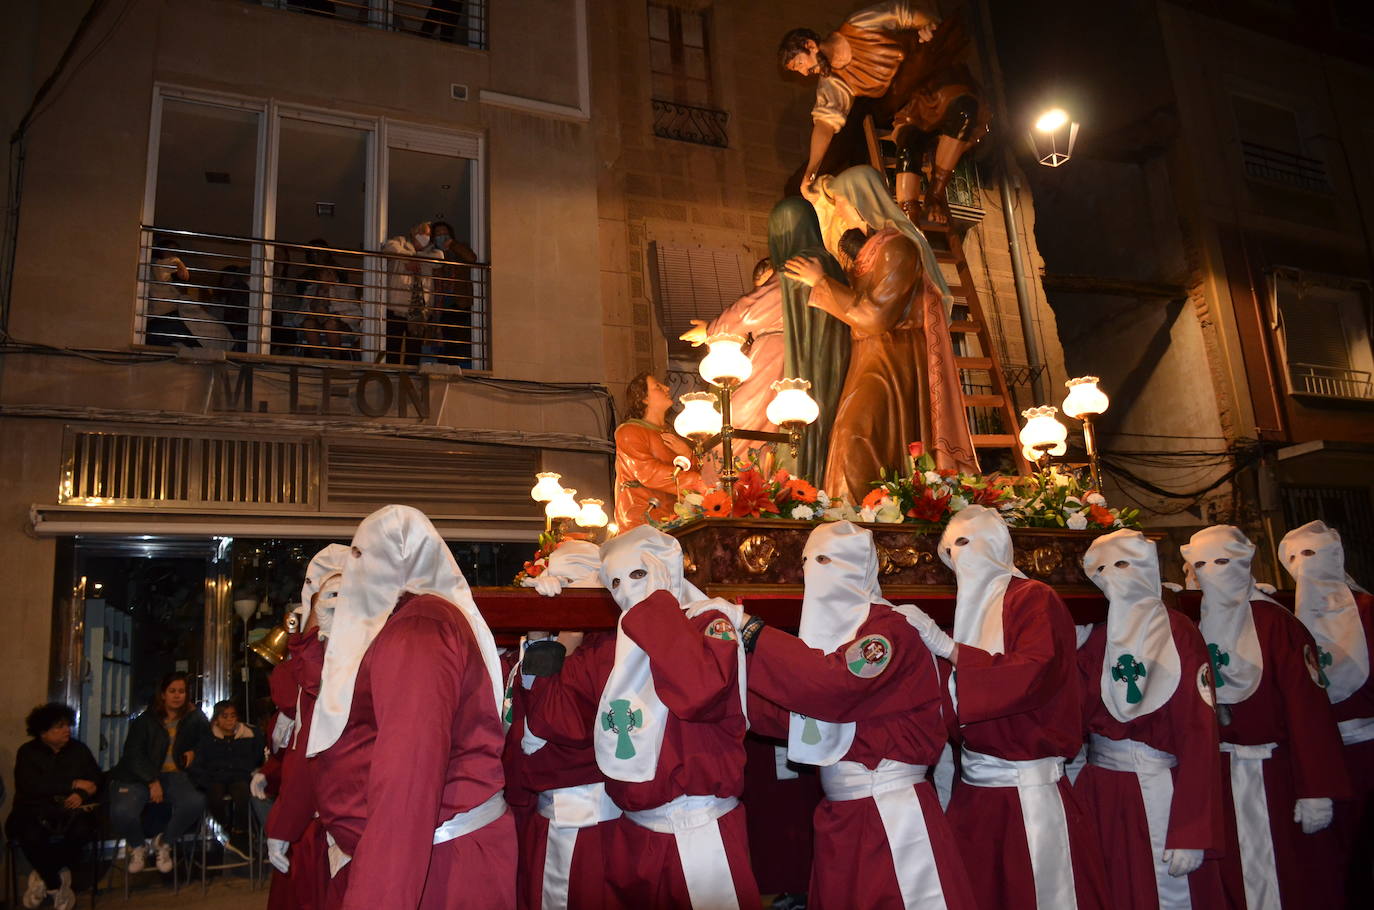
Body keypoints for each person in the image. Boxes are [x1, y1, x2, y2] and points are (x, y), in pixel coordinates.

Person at [738, 521, 976, 909]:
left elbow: (832, 687)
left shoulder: (888, 631)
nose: (810, 571)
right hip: (843, 813)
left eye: (825, 560)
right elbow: (793, 714)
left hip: (891, 812)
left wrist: (754, 633)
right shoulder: (829, 643)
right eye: (806, 561)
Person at [526, 525, 759, 909]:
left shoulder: (709, 622)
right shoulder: (610, 650)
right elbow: (550, 721)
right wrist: (547, 637)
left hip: (697, 829)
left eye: (638, 574)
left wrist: (658, 609)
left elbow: (699, 692)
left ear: (666, 568)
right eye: (614, 582)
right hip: (634, 833)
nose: (627, 590)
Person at [897, 504, 1108, 910]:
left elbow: (1032, 673)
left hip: (1026, 791)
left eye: (964, 542)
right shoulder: (968, 612)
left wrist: (948, 649)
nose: (956, 557)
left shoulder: (1034, 599)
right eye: (947, 550)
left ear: (993, 544)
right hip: (975, 792)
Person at [308, 505, 514, 909]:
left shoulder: (419, 630)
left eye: (361, 556)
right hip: (427, 852)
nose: (354, 573)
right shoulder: (409, 623)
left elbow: (408, 780)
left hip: (433, 863)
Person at [785, 166, 978, 502]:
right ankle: (861, 514)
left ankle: (858, 519)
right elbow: (833, 226)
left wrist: (821, 282)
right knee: (856, 436)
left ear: (863, 202)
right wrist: (815, 195)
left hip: (892, 355)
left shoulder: (898, 248)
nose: (840, 210)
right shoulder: (868, 251)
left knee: (855, 434)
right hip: (868, 354)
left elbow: (875, 316)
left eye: (843, 201)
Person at [1183, 524, 1350, 910]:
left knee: (1292, 877)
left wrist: (1316, 789)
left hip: (1278, 778)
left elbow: (1308, 709)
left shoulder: (1278, 625)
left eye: (1223, 561)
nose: (1213, 572)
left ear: (1244, 563)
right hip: (1222, 777)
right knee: (1233, 879)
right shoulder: (1196, 625)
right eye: (1202, 564)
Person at [1073, 530, 1226, 908]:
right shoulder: (1097, 639)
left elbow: (1199, 732)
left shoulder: (1179, 633)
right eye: (1102, 570)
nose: (1113, 576)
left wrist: (1192, 830)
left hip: (1160, 791)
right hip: (1101, 790)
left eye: (1123, 564)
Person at [779, 1, 989, 224]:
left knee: (964, 112)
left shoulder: (858, 26)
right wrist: (810, 173)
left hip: (932, 76)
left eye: (800, 63)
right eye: (798, 70)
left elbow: (903, 13)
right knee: (909, 143)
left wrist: (929, 26)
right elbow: (825, 125)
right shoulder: (832, 83)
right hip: (908, 106)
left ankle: (936, 193)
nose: (804, 73)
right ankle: (910, 221)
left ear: (809, 44)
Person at [511, 540, 620, 910]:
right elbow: (525, 713)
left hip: (585, 813)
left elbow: (558, 722)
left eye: (569, 582)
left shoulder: (607, 646)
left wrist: (564, 639)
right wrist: (543, 639)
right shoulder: (555, 642)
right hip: (547, 809)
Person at [1280, 520, 1374, 906]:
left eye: (1312, 554)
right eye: (1293, 558)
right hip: (1319, 755)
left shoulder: (1368, 612)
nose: (1304, 565)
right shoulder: (1286, 618)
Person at [263, 544, 349, 910]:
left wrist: (283, 825)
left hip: (333, 824)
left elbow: (310, 760)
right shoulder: (319, 666)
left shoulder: (334, 669)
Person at [768, 197, 850, 482]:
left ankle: (802, 485)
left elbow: (756, 309)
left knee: (796, 430)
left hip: (800, 364)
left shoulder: (795, 267)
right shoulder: (832, 264)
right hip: (834, 363)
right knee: (823, 418)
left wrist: (715, 327)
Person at [680, 259, 786, 465]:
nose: (762, 296)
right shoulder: (748, 340)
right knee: (734, 424)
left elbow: (745, 316)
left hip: (773, 369)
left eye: (767, 287)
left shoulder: (773, 323)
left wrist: (712, 329)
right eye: (759, 290)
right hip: (746, 381)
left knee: (745, 418)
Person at [109, 671, 210, 875]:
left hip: (176, 774)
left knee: (195, 802)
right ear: (163, 694)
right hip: (141, 776)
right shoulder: (146, 720)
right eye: (172, 691)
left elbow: (208, 743)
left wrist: (195, 752)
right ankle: (138, 846)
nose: (177, 695)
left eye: (181, 691)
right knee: (121, 811)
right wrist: (151, 780)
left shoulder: (195, 717)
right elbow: (133, 754)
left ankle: (164, 843)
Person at [6, 703, 101, 910]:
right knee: (29, 835)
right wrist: (72, 784)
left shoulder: (79, 750)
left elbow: (95, 779)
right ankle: (55, 882)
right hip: (34, 810)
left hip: (71, 812)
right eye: (59, 726)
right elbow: (30, 785)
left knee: (83, 832)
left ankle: (44, 874)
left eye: (67, 725)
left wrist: (81, 794)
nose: (67, 730)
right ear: (43, 732)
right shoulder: (28, 752)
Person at [612, 373, 704, 529]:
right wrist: (695, 481)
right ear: (644, 398)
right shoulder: (629, 431)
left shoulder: (673, 436)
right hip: (643, 514)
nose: (667, 388)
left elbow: (693, 474)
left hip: (676, 516)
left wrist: (688, 453)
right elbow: (648, 473)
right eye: (657, 387)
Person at [190, 701, 263, 858]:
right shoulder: (208, 738)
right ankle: (229, 828)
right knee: (214, 796)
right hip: (215, 777)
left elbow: (257, 758)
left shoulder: (248, 735)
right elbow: (199, 763)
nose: (230, 720)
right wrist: (204, 780)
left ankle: (240, 832)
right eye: (225, 716)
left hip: (240, 776)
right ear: (216, 719)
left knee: (242, 793)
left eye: (233, 716)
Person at [381, 223, 444, 365]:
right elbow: (389, 248)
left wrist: (415, 258)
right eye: (422, 233)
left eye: (428, 235)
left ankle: (410, 381)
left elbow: (439, 260)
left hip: (419, 310)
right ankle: (391, 376)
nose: (425, 237)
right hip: (396, 308)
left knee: (414, 351)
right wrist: (408, 259)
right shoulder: (401, 242)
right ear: (414, 233)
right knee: (392, 348)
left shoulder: (432, 252)